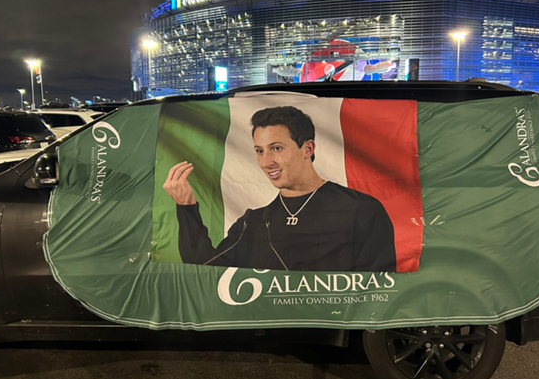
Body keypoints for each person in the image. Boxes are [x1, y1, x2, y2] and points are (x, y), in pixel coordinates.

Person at [163, 106, 396, 272]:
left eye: (276, 148)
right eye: (259, 151)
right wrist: (186, 207)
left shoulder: (362, 211)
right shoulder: (251, 223)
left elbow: (376, 296)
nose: (266, 162)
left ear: (307, 149)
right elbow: (205, 268)